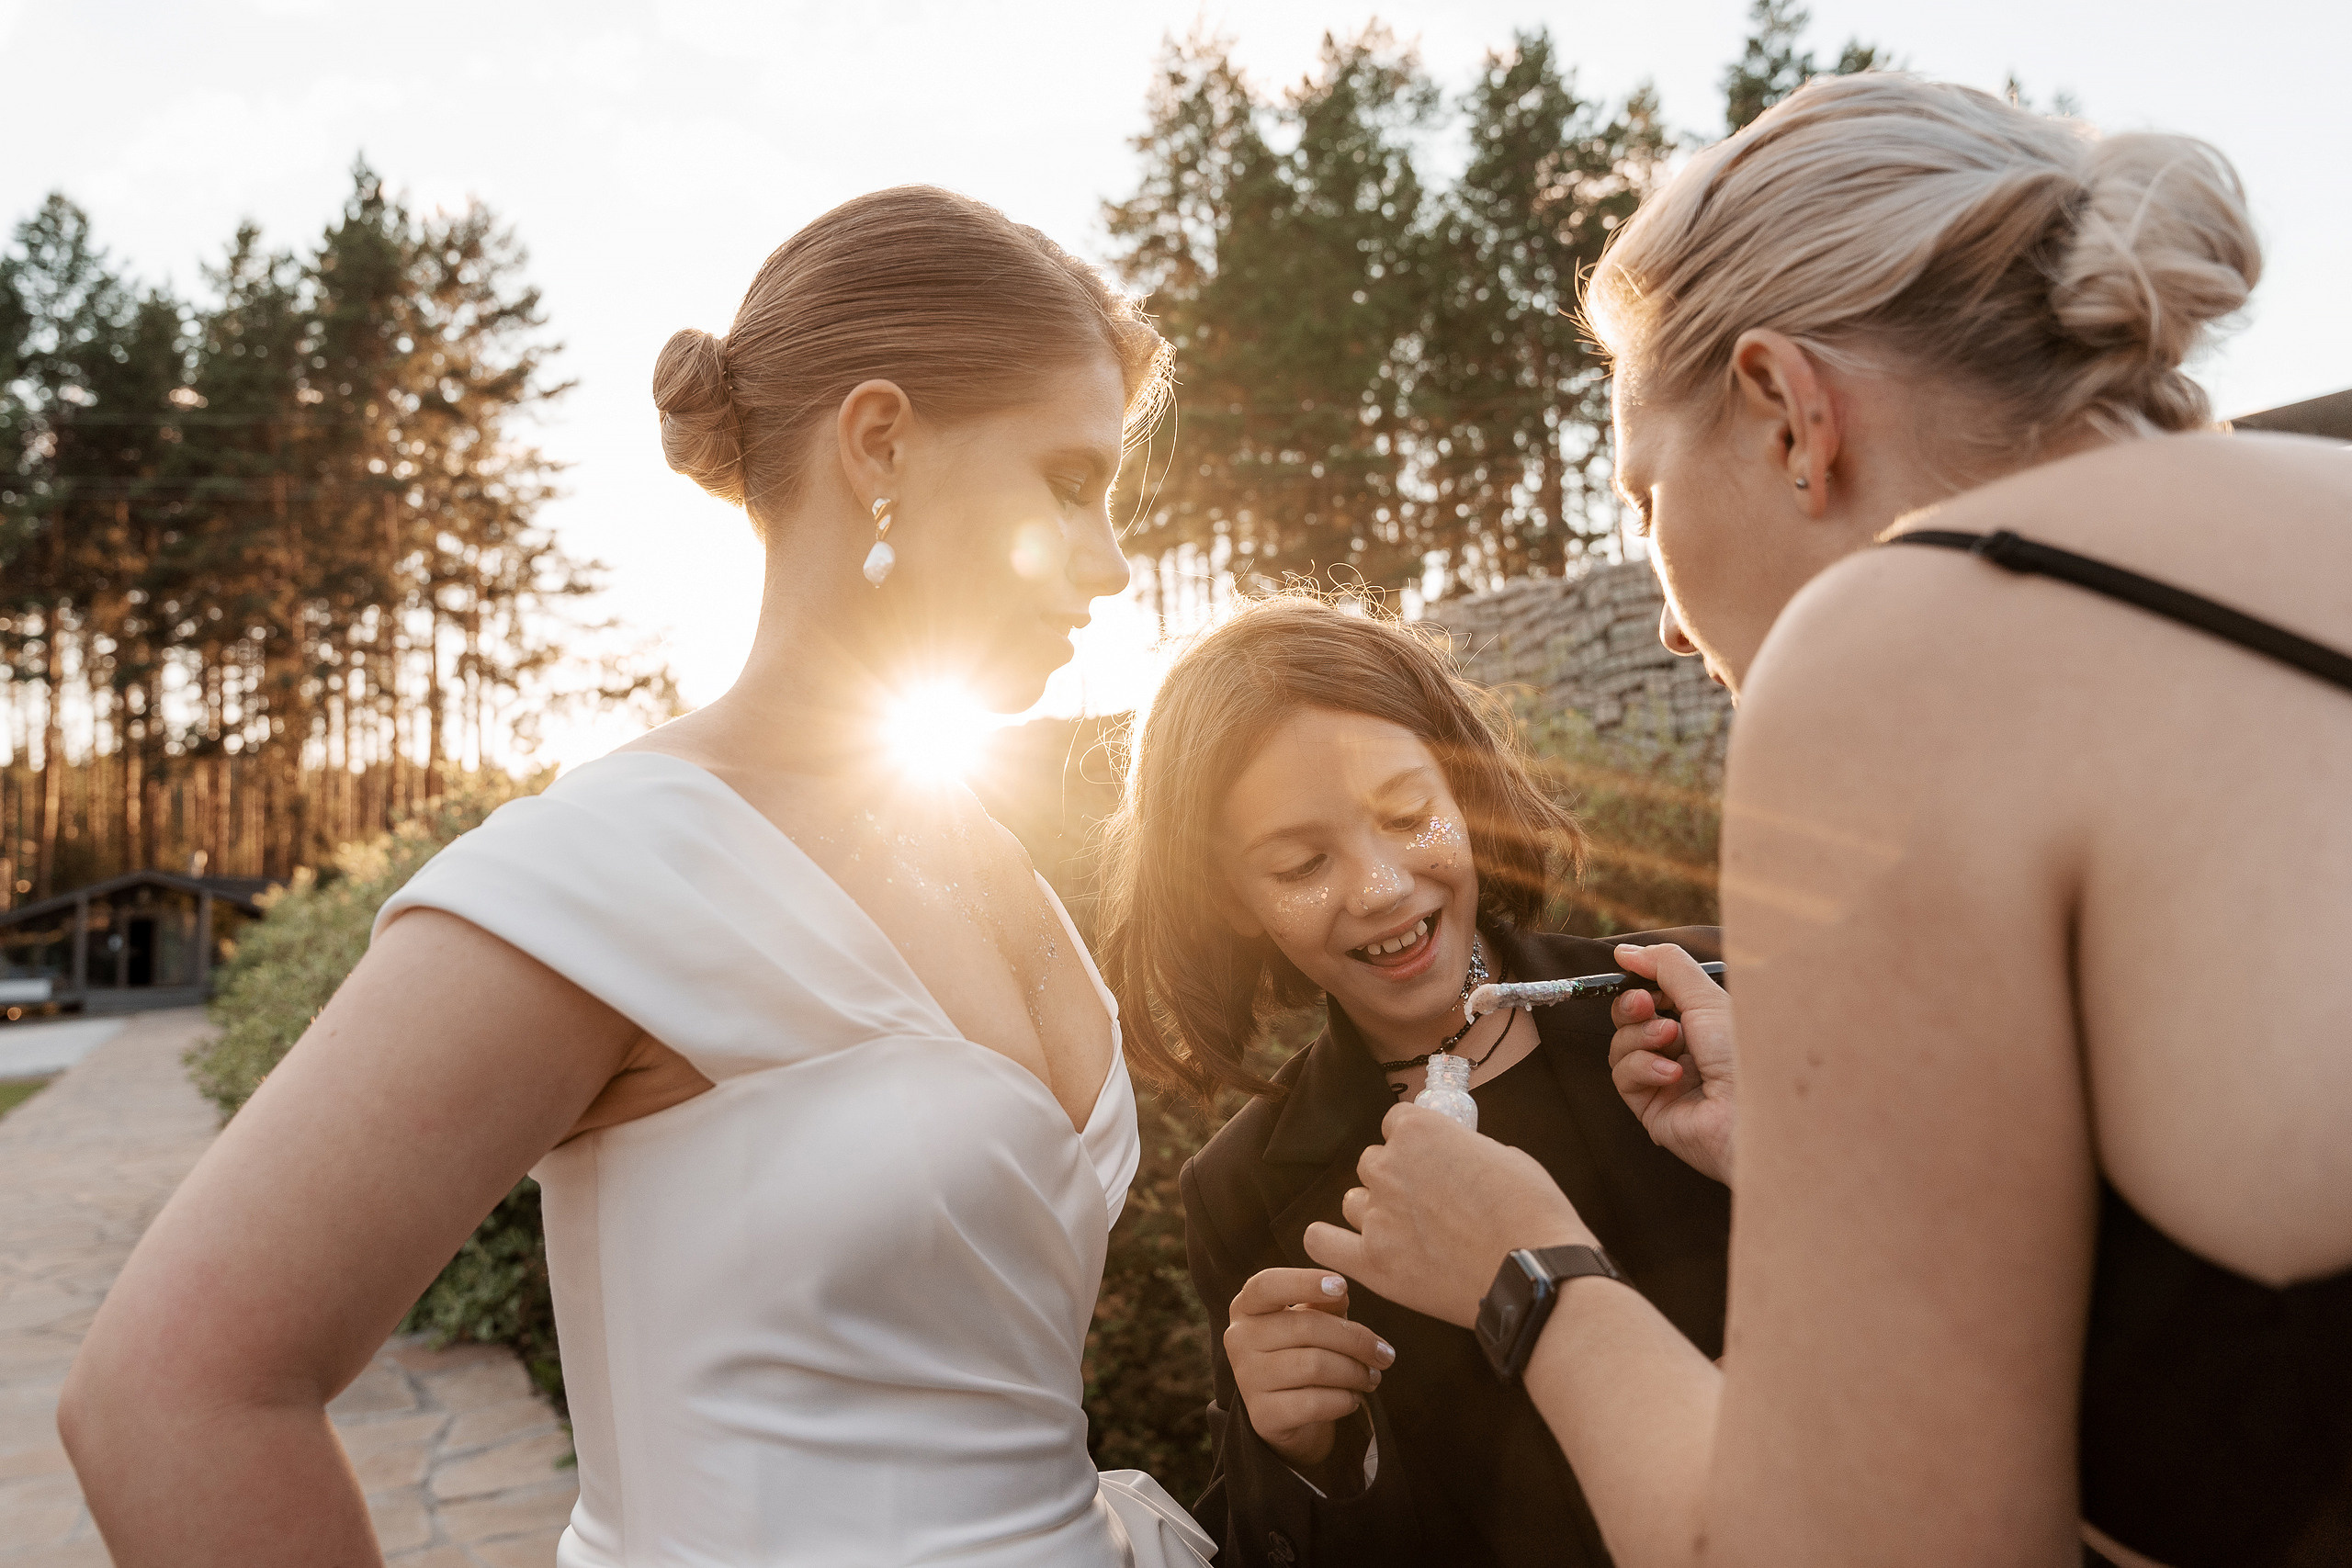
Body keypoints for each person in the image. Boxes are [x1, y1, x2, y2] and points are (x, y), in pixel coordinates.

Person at [60, 186, 1216, 1568]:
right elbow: (168, 1394)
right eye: (1070, 483)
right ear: (882, 442)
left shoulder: (990, 857)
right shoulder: (618, 863)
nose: (1113, 559)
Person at [1302, 74, 2352, 1568]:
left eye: (1644, 499)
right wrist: (1821, 1150)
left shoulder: (1899, 637)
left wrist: (1524, 1269)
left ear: (1790, 412)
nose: (1664, 623)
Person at [1095, 593, 1732, 1568]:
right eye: (1303, 861)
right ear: (1229, 899)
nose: (1382, 886)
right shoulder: (1242, 1191)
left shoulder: (1705, 1006)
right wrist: (1302, 1454)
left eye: (1407, 816)